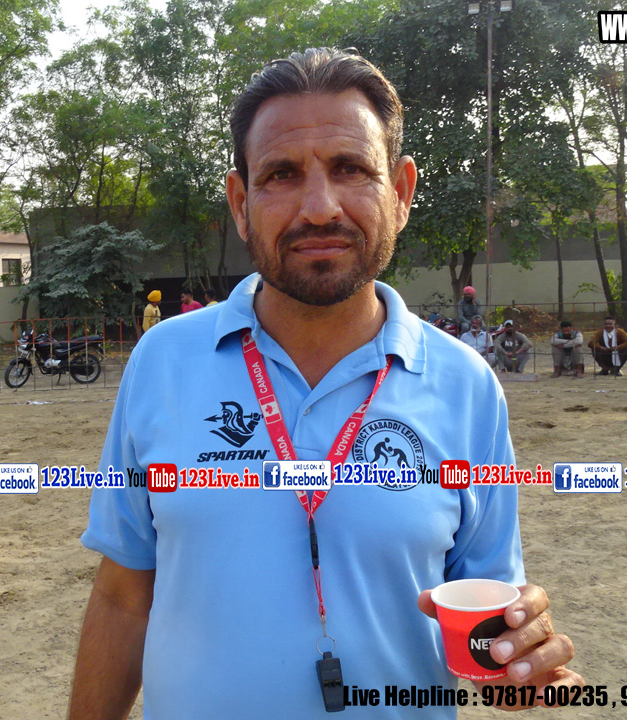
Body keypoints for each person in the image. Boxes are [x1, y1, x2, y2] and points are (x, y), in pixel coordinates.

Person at [69, 48, 581, 720]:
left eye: (351, 169)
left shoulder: (467, 386)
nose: (319, 208)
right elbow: (121, 597)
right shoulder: (162, 362)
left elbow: (486, 605)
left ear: (400, 192)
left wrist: (515, 654)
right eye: (281, 174)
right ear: (241, 203)